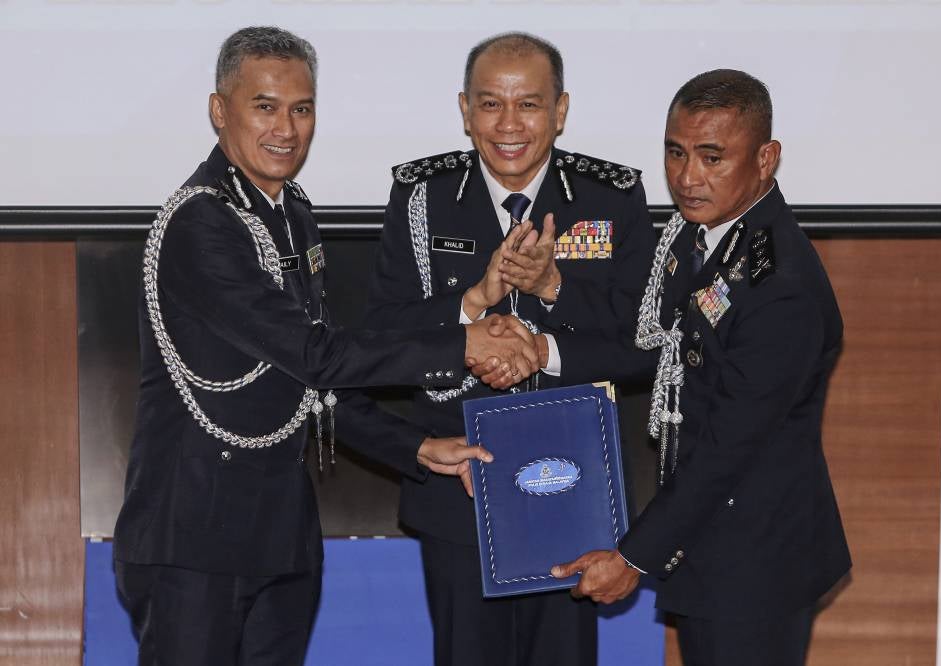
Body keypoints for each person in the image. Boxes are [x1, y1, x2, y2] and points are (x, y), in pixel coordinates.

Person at [112, 26, 538, 666]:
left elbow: (314, 383)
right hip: (193, 538)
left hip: (280, 532)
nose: (286, 128)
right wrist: (462, 344)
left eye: (301, 109)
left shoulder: (293, 210)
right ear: (218, 110)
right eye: (265, 106)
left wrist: (418, 445)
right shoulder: (202, 222)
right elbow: (316, 354)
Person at [363, 32, 656, 666]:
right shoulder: (421, 196)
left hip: (572, 488)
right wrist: (469, 307)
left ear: (561, 110)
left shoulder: (612, 196)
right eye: (490, 104)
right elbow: (383, 336)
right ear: (465, 111)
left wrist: (550, 308)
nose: (509, 125)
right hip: (458, 485)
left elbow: (645, 345)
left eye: (529, 105)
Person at [552, 69, 852, 666]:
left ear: (766, 159)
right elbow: (654, 345)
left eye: (712, 157)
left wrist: (633, 557)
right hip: (713, 544)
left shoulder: (777, 287)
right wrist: (545, 350)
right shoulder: (706, 236)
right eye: (676, 152)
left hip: (754, 562)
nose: (688, 177)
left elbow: (727, 450)